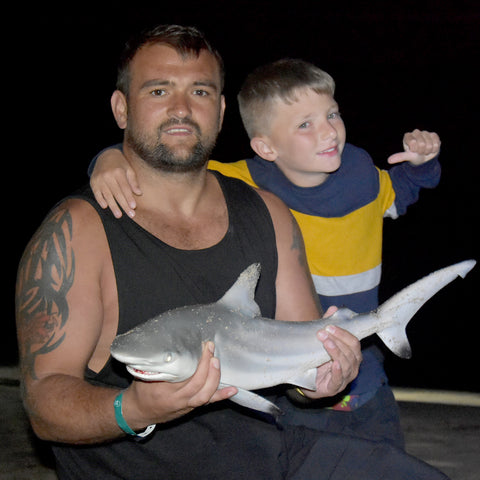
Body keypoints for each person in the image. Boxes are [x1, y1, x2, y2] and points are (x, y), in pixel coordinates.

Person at [16, 25, 449, 480]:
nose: (181, 107)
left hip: (275, 457)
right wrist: (134, 409)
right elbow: (45, 402)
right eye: (159, 89)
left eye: (200, 91)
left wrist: (326, 379)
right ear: (122, 108)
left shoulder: (269, 213)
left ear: (221, 111)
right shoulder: (77, 231)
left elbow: (303, 363)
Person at [89, 58, 441, 448]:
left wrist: (425, 164)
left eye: (332, 114)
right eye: (305, 124)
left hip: (365, 371)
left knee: (384, 456)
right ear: (265, 147)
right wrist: (108, 158)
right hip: (281, 373)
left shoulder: (363, 175)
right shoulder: (245, 181)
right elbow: (167, 167)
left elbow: (403, 191)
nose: (328, 131)